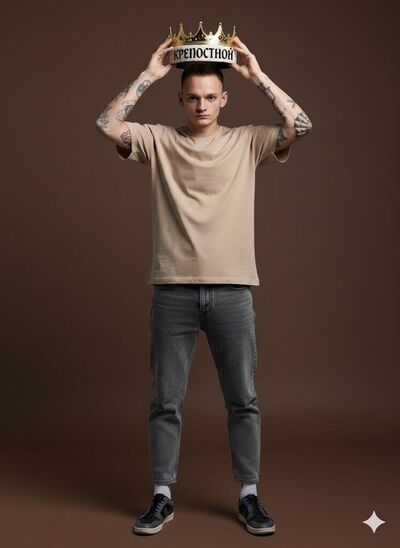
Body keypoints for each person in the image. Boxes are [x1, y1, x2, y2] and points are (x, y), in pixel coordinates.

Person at [96, 35, 312, 536]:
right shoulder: (158, 141)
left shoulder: (248, 141)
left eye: (211, 97)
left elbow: (300, 125)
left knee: (243, 399)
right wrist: (149, 74)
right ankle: (162, 495)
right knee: (165, 401)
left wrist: (257, 75)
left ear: (224, 98)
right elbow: (107, 125)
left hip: (233, 291)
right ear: (180, 99)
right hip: (172, 290)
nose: (201, 106)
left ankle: (249, 495)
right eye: (192, 97)